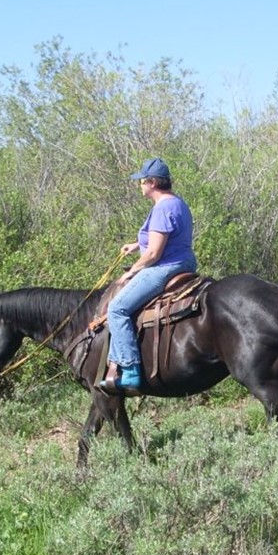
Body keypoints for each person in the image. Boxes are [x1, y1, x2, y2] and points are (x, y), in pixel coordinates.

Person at [97, 157, 197, 395]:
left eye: (142, 180)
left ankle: (130, 370)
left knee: (117, 308)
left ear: (152, 182)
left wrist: (132, 271)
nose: (140, 184)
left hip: (164, 266)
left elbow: (153, 253)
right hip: (183, 261)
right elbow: (163, 239)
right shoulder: (177, 203)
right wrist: (135, 245)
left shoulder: (162, 208)